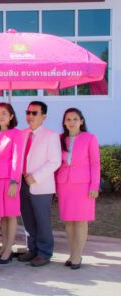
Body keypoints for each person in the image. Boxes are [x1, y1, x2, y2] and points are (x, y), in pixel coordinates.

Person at [18, 101, 61, 267]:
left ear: (44, 116)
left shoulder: (51, 135)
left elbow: (55, 161)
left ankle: (44, 253)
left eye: (34, 113)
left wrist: (35, 177)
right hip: (22, 183)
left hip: (40, 185)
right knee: (28, 219)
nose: (30, 116)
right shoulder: (22, 134)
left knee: (42, 220)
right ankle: (32, 249)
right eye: (28, 112)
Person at [56, 108, 99, 270]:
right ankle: (73, 253)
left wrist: (94, 185)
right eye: (68, 119)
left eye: (75, 119)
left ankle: (77, 255)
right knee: (69, 220)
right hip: (64, 184)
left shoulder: (90, 138)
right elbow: (57, 163)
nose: (71, 122)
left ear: (81, 121)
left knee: (81, 220)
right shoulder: (60, 138)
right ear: (64, 122)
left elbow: (95, 163)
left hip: (83, 185)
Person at [0, 103, 24, 264]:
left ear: (11, 116)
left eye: (4, 113)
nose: (1, 116)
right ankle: (3, 246)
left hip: (10, 179)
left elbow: (17, 159)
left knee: (10, 214)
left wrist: (14, 181)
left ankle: (9, 249)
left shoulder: (16, 134)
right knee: (1, 215)